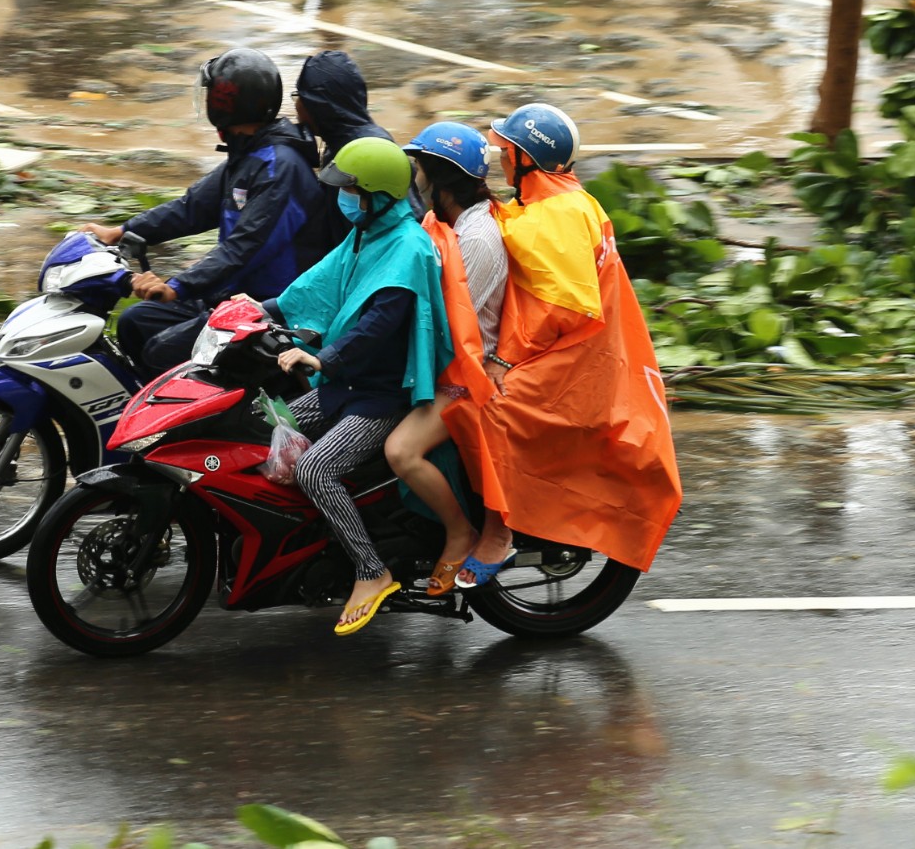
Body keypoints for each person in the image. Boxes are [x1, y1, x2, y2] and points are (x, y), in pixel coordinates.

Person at [441, 103, 683, 589]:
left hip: (578, 358)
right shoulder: (565, 199)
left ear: (526, 159)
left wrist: (503, 361)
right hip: (591, 349)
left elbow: (563, 309)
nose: (501, 158)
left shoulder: (558, 213)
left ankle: (498, 528)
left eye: (507, 150)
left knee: (485, 406)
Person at [264, 137, 451, 636]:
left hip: (382, 395)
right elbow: (313, 285)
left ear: (378, 195)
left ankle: (373, 571)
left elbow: (377, 326)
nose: (342, 197)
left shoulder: (407, 248)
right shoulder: (366, 235)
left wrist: (320, 356)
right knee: (267, 424)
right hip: (345, 383)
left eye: (350, 190)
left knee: (314, 468)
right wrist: (256, 311)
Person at [84, 48, 325, 379]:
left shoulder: (280, 167)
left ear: (228, 101)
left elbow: (244, 247)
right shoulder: (248, 153)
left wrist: (178, 286)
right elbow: (192, 208)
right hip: (230, 294)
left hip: (266, 306)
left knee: (162, 350)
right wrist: (123, 230)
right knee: (134, 322)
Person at [382, 122, 507, 597]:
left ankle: (460, 531)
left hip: (462, 376)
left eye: (421, 170)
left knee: (400, 449)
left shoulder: (476, 238)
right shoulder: (448, 222)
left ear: (440, 178)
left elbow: (453, 322)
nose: (416, 181)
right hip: (439, 360)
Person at [291, 51, 397, 256]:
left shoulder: (365, 152)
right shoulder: (340, 143)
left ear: (320, 107)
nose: (297, 107)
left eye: (300, 97)